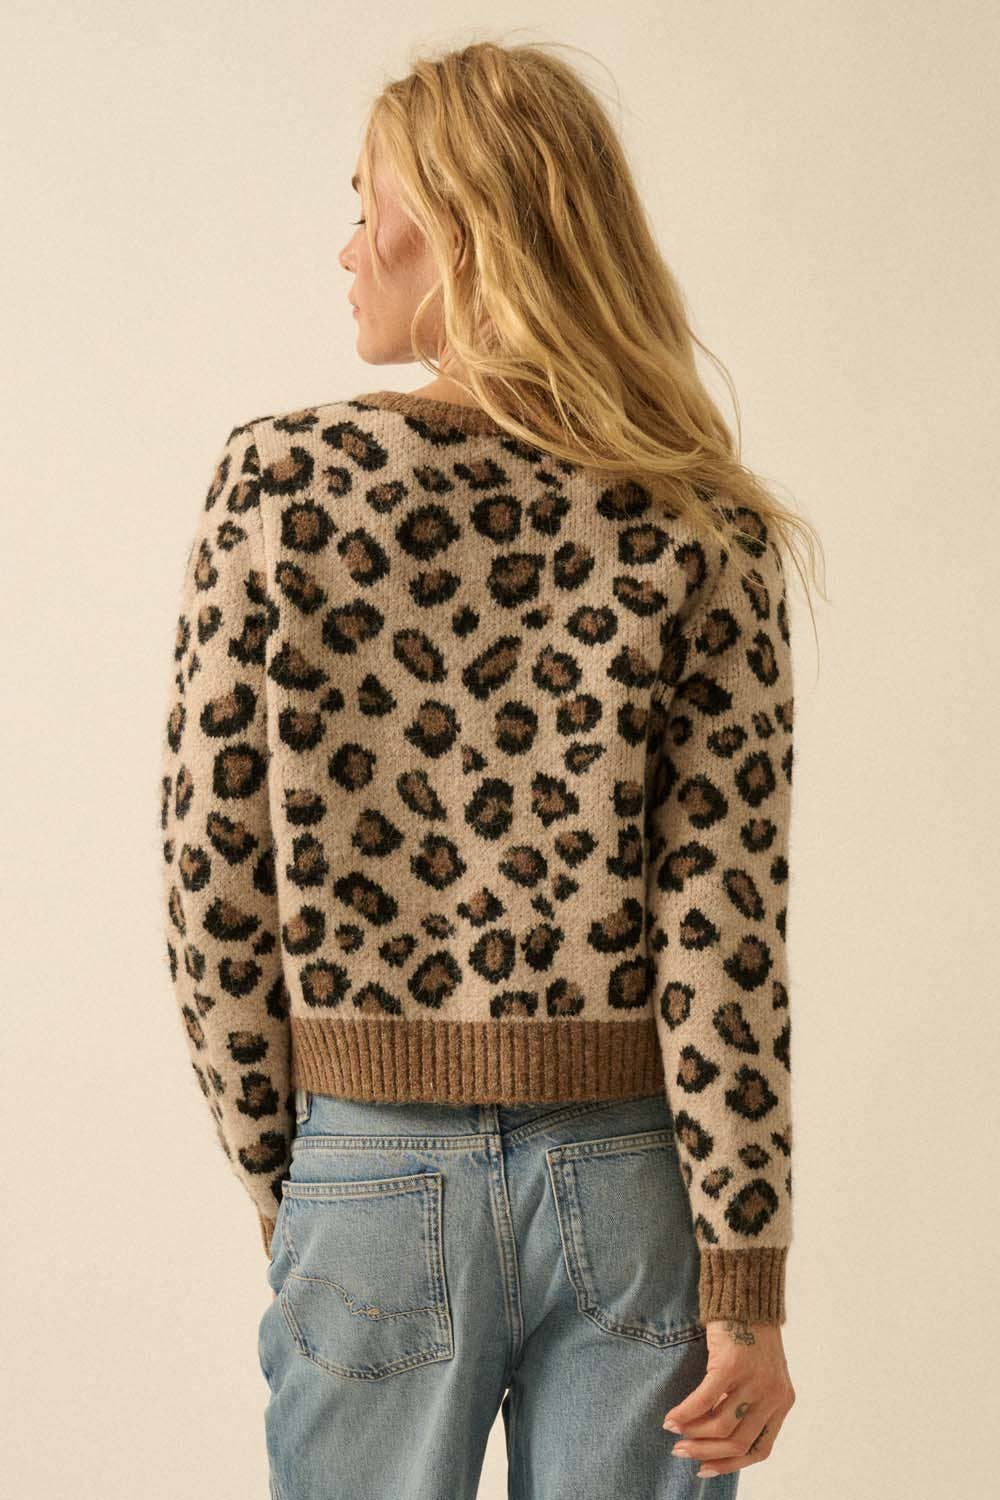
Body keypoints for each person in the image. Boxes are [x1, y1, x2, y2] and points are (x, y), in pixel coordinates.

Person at [157, 38, 823, 1500]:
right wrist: (746, 1276)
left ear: (458, 227)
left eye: (367, 206)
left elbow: (214, 891)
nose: (348, 247)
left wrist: (302, 1179)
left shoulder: (279, 483)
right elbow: (723, 931)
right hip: (634, 1178)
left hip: (368, 1168)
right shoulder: (700, 523)